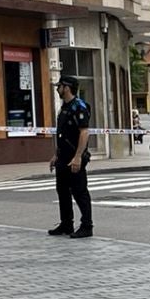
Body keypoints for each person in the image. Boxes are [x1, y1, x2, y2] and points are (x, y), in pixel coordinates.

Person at [49, 74, 93, 239]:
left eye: (59, 86)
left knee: (79, 191)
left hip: (75, 156)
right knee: (62, 191)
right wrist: (56, 155)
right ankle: (66, 223)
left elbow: (84, 132)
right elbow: (62, 134)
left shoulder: (78, 107)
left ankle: (87, 226)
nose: (58, 89)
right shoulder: (64, 108)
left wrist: (78, 157)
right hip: (63, 156)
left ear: (66, 87)